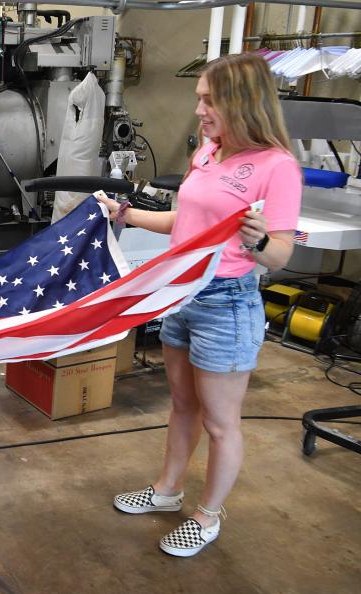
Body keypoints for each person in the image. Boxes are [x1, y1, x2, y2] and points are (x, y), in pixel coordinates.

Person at [99, 53, 302, 557]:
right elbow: (182, 221)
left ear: (243, 102)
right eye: (199, 99)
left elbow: (279, 253)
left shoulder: (277, 167)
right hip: (182, 294)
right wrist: (125, 215)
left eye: (209, 101)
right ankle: (167, 492)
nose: (200, 111)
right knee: (183, 405)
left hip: (227, 304)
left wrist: (256, 241)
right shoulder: (209, 153)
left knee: (220, 422)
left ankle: (208, 515)